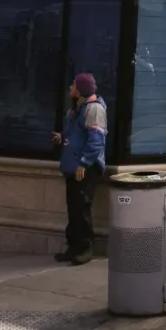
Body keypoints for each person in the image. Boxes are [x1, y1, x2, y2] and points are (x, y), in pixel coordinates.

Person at [58, 70, 108, 262]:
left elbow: (96, 141)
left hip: (85, 168)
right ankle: (73, 247)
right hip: (73, 166)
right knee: (73, 208)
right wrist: (61, 138)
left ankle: (85, 249)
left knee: (82, 208)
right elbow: (76, 135)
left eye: (73, 85)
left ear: (80, 89)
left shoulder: (93, 109)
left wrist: (84, 163)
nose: (70, 87)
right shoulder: (78, 108)